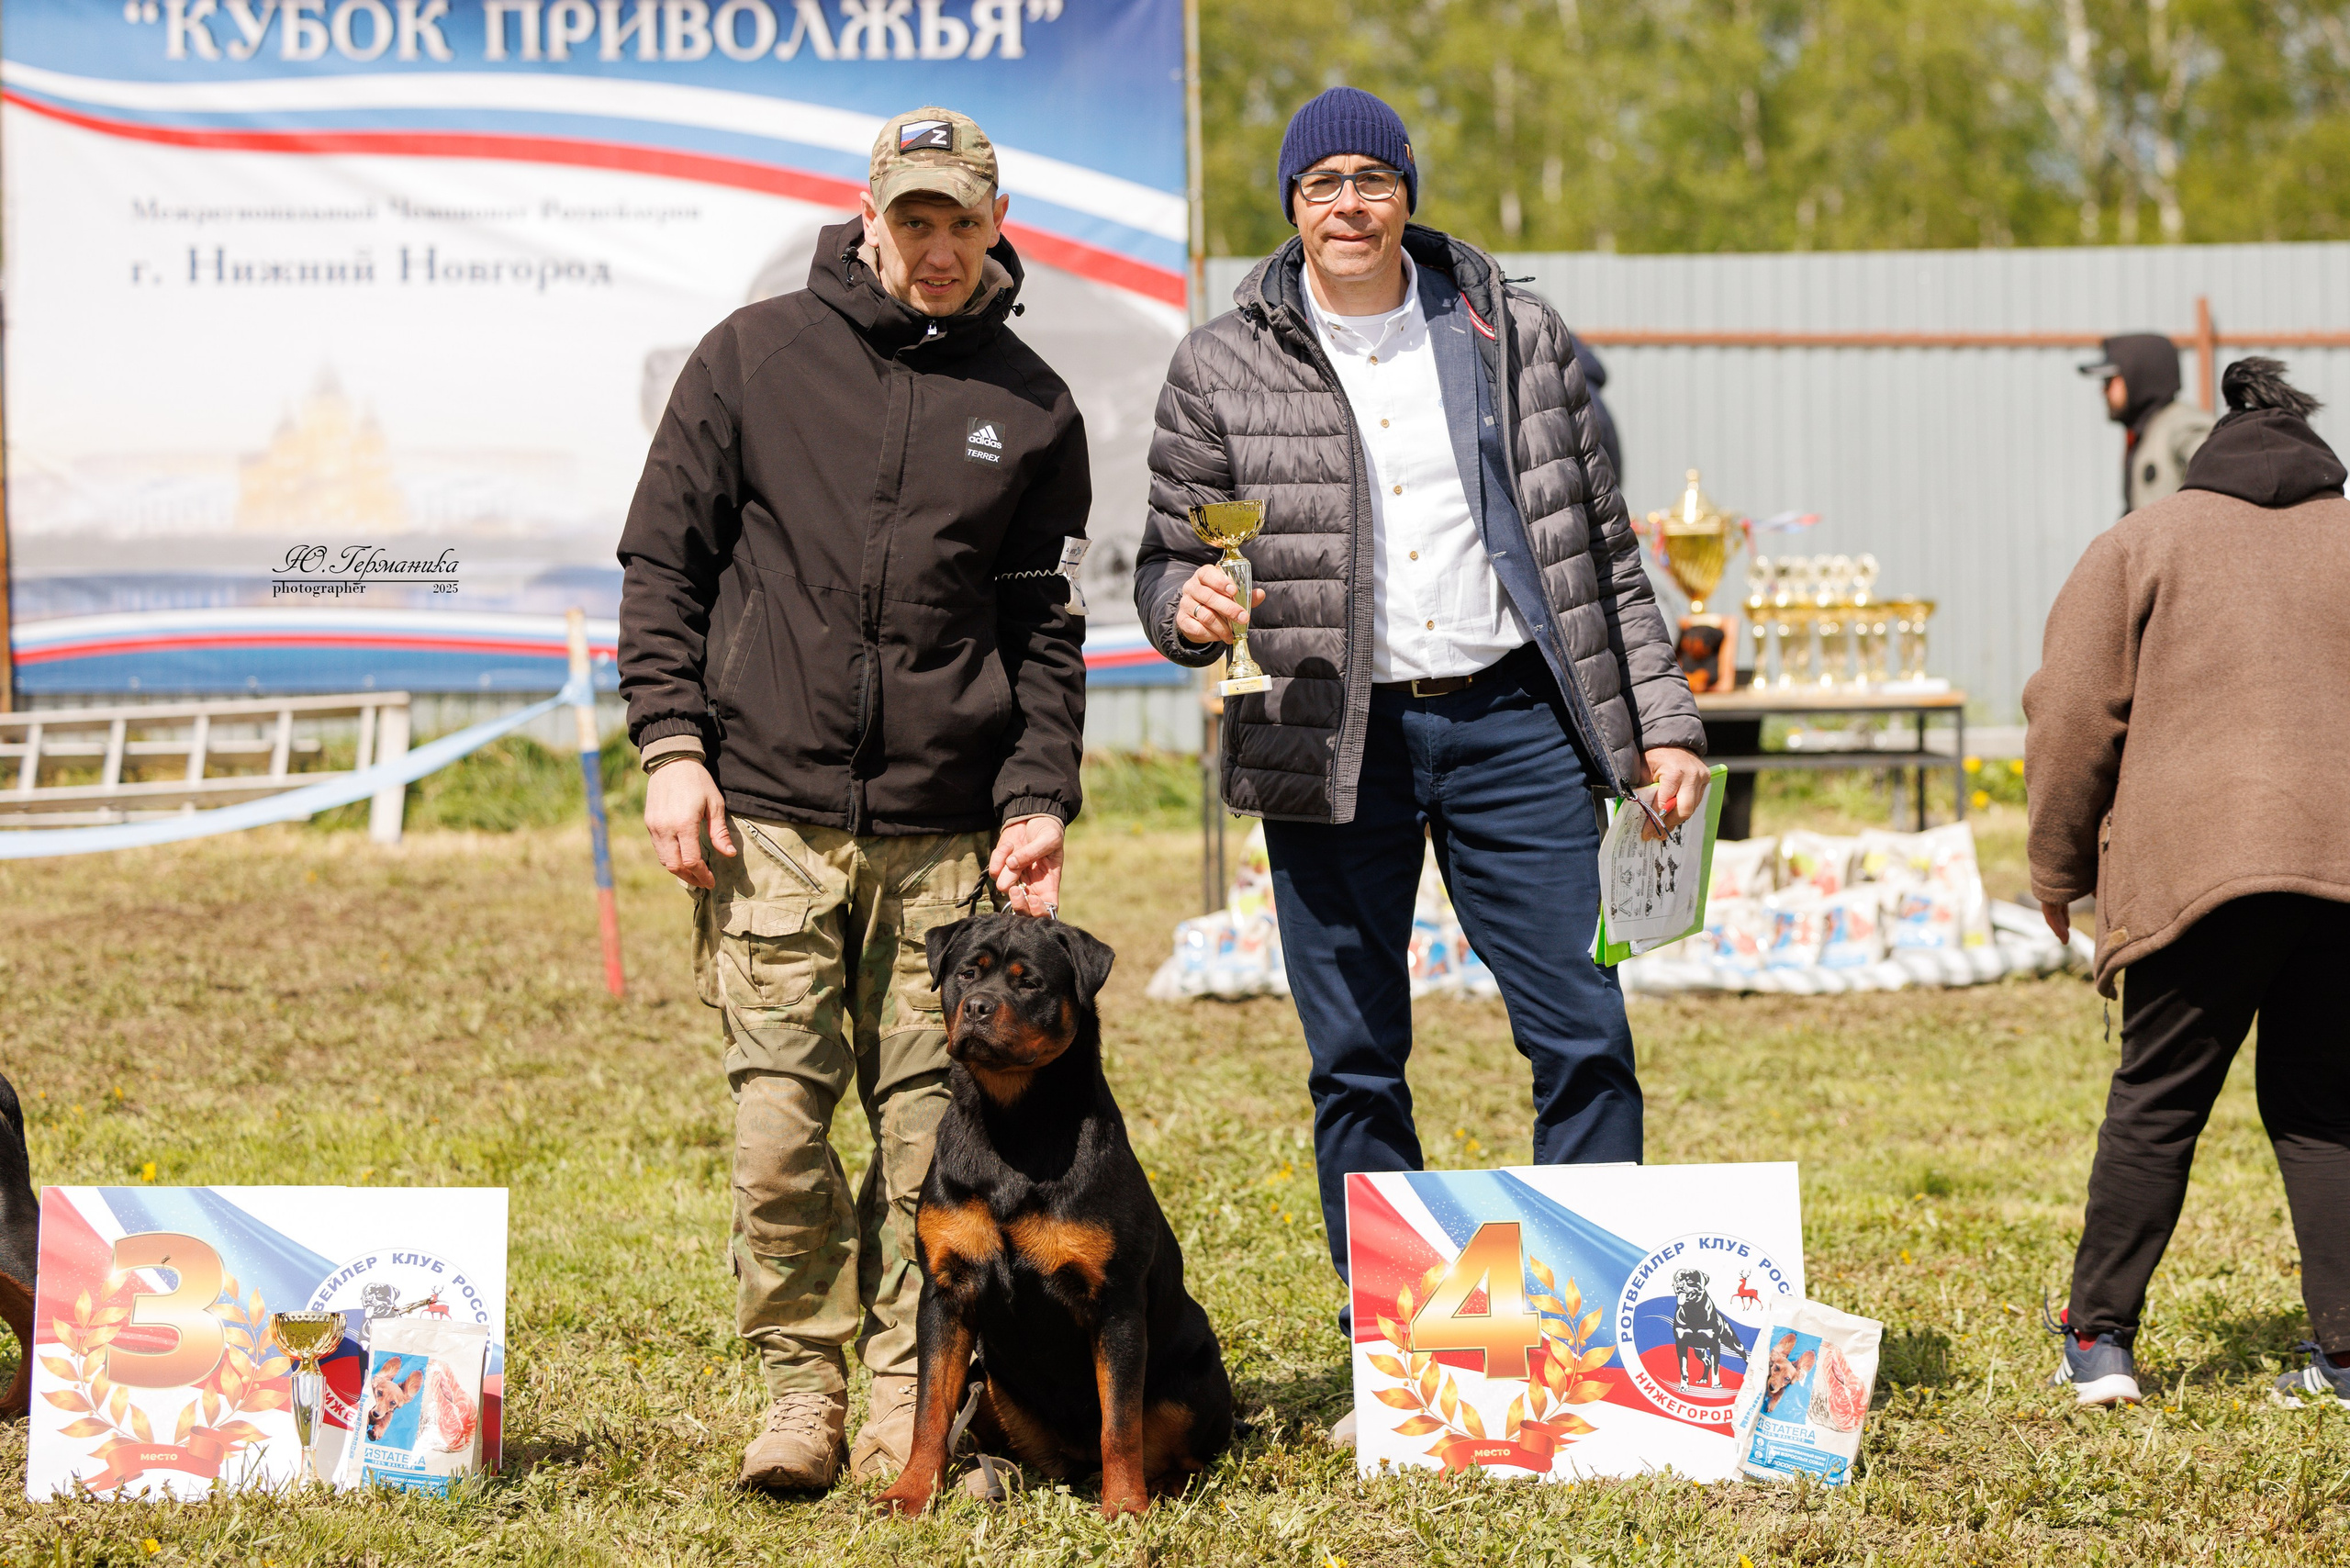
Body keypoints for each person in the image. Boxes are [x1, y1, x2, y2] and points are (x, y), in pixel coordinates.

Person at [1132, 86, 1707, 1444]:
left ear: (1406, 194)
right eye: (1321, 182)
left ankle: (1589, 1345)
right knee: (1357, 1060)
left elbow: (1601, 549)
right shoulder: (1222, 365)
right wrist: (1186, 611)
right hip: (1330, 737)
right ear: (1290, 204)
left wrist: (1665, 719)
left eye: (1370, 179)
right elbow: (1169, 560)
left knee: (1583, 1034)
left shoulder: (1513, 332)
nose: (1348, 204)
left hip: (1517, 724)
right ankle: (1405, 1364)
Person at [616, 106, 1090, 1492]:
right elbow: (664, 570)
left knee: (924, 1150)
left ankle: (905, 1409)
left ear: (999, 226)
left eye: (963, 222)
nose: (938, 249)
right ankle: (797, 1397)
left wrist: (1036, 793)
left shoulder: (1034, 404)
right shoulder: (751, 359)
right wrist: (672, 750)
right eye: (914, 220)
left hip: (948, 840)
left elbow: (1040, 630)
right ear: (868, 215)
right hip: (765, 815)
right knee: (777, 1141)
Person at [2025, 357, 2350, 1409]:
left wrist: (2054, 869)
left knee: (2156, 1102)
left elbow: (2070, 717)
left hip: (2195, 872)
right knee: (2325, 1110)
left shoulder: (2142, 542)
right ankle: (2345, 1358)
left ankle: (2100, 1340)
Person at [2078, 333, 2214, 513]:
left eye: (2109, 380)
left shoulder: (2183, 425)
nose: (2103, 390)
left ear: (2139, 375)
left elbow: (2224, 480)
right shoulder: (2146, 429)